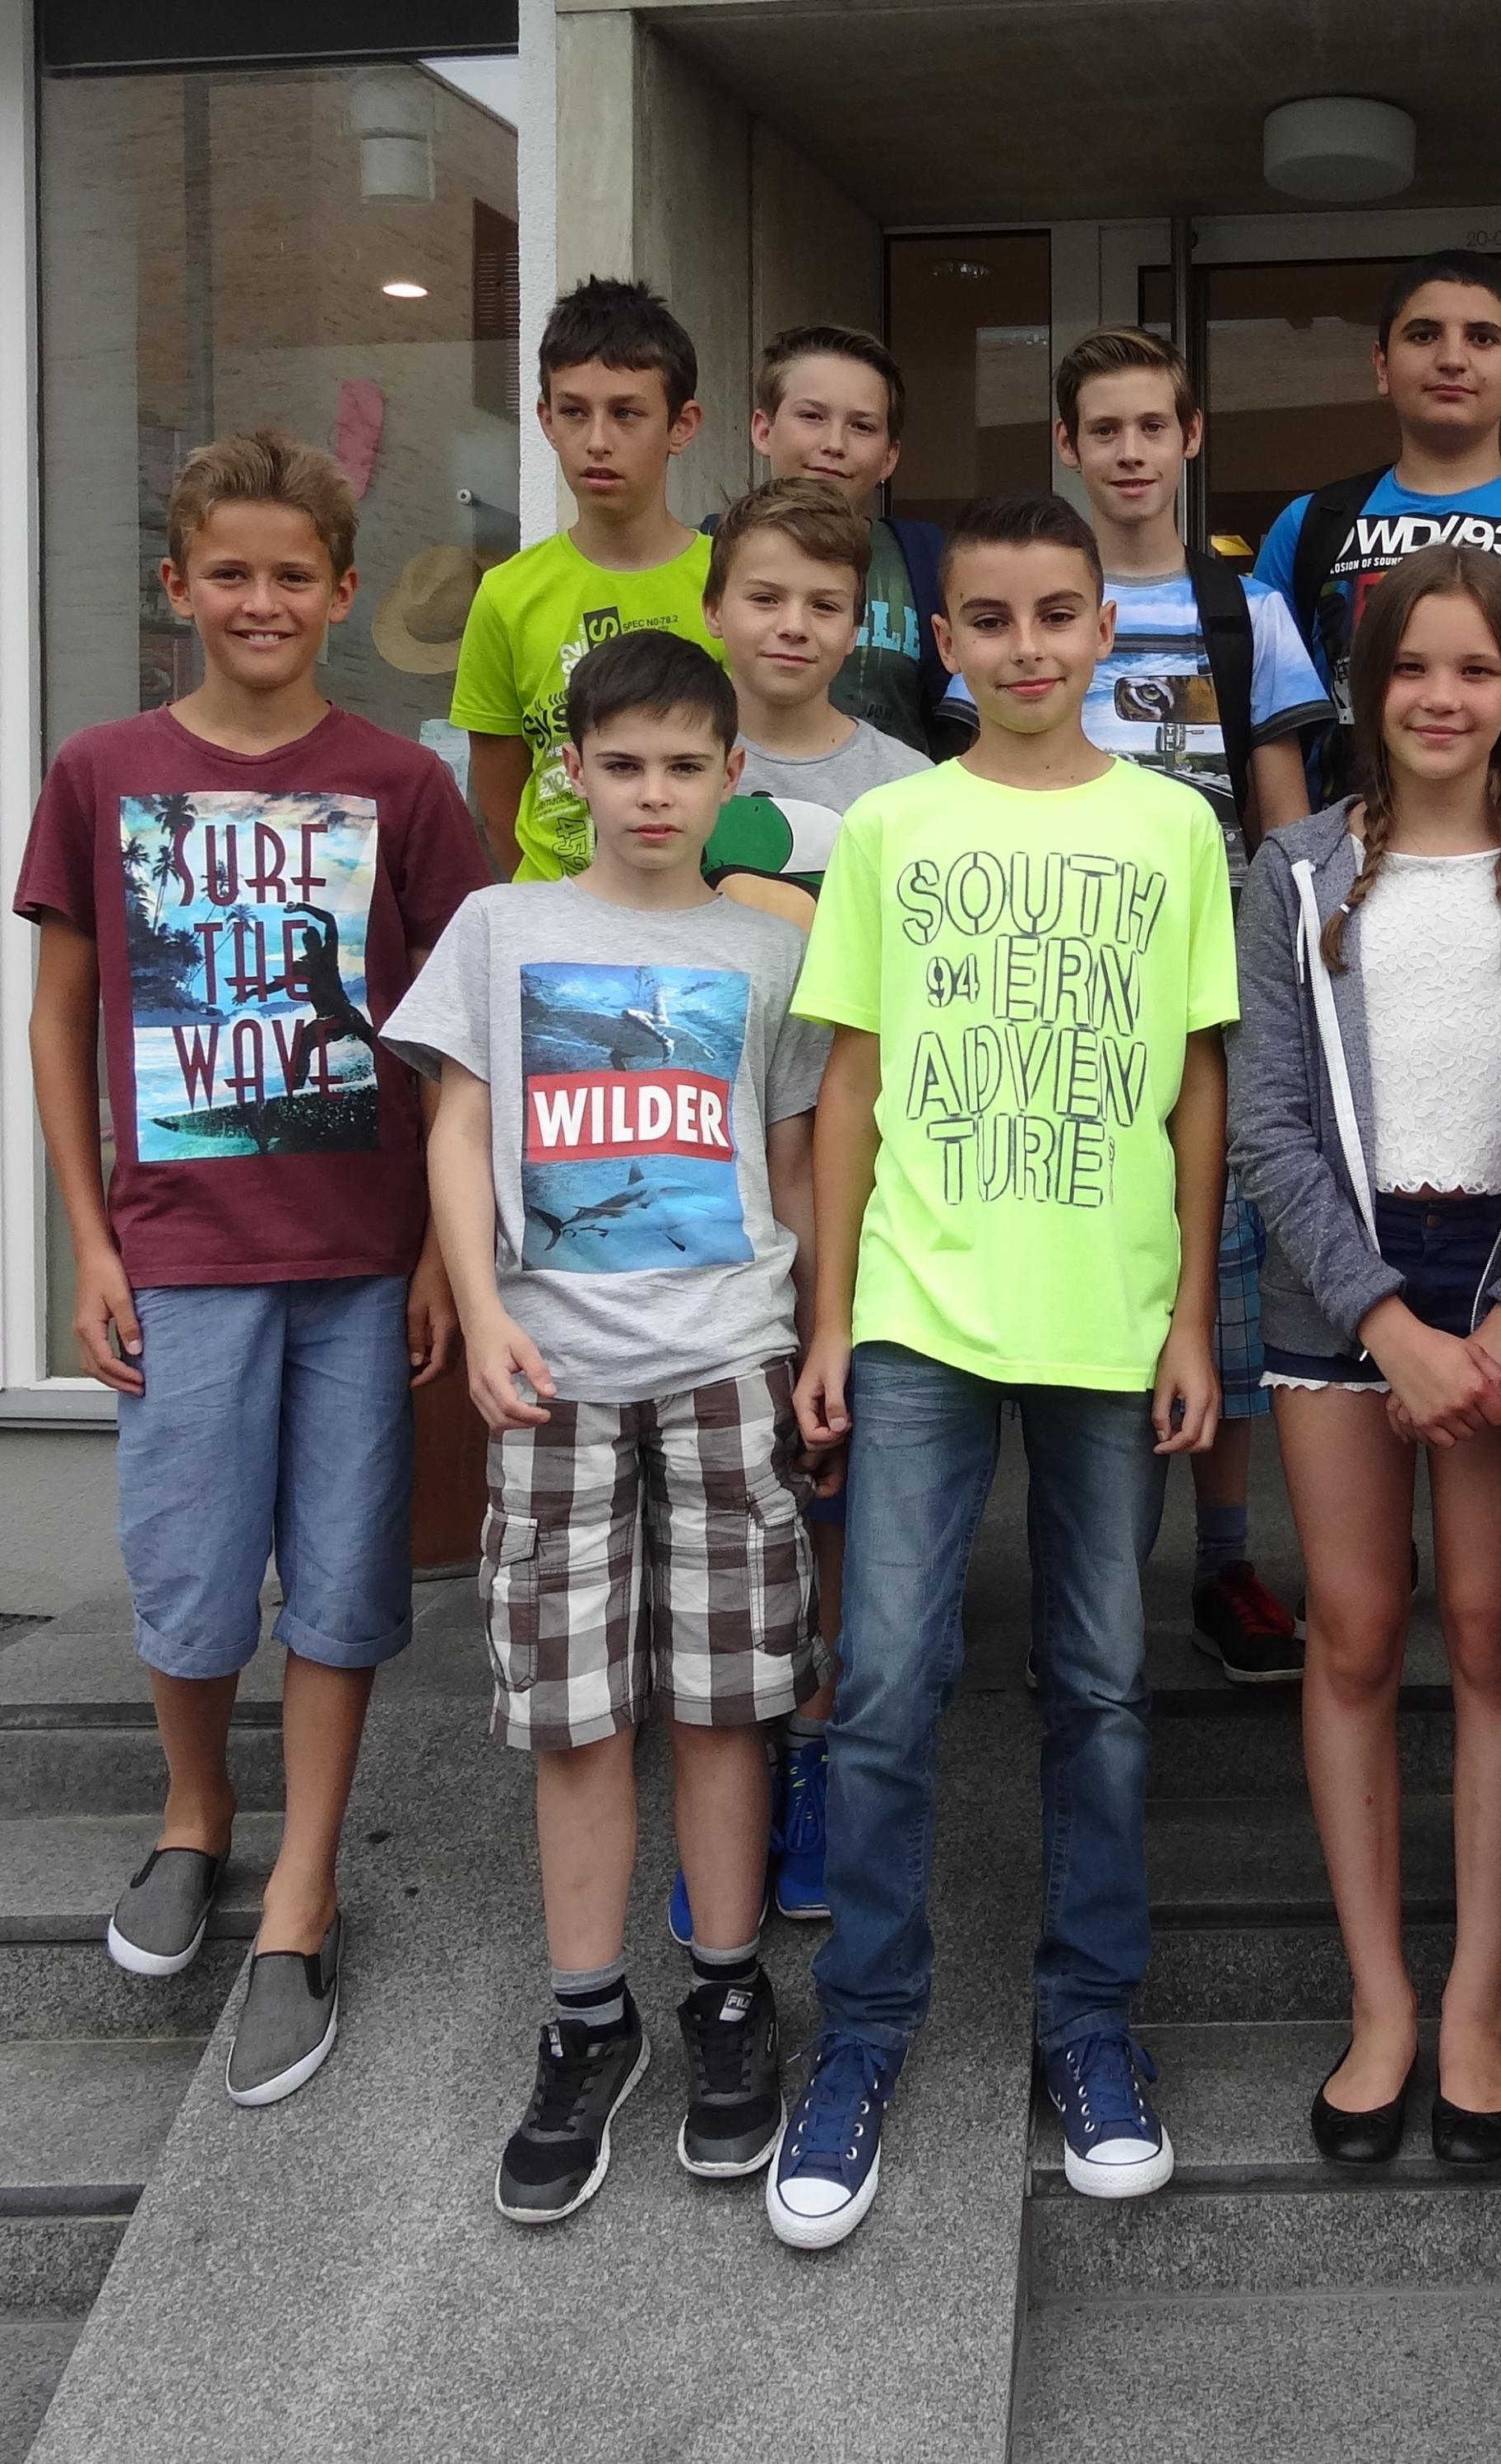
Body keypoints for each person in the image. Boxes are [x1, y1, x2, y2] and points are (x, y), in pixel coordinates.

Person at [767, 492, 1236, 2252]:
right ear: (945, 641)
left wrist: (1193, 1319)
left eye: (1056, 614)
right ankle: (864, 2031)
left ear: (1105, 629)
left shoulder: (1172, 828)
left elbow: (1198, 1088)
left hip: (1110, 1322)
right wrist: (831, 1316)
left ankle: (1088, 2023)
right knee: (884, 1681)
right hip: (917, 1312)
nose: (1026, 645)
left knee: (1100, 1687)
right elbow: (852, 1086)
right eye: (990, 618)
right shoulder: (894, 825)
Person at [16, 430, 490, 2110]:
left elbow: (457, 1038)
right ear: (178, 586)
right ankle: (194, 1808)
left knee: (346, 1577)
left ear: (344, 591)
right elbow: (59, 1021)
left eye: (294, 574)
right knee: (190, 1563)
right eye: (229, 572)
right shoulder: (102, 771)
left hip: (360, 1256)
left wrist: (442, 1255)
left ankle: (305, 1885)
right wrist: (89, 1241)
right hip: (180, 1252)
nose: (261, 600)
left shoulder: (402, 786)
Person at [383, 630, 828, 2226]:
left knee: (724, 1700)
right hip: (553, 1371)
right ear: (569, 770)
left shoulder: (765, 952)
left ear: (730, 777)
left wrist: (817, 1336)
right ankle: (587, 2015)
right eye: (621, 764)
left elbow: (794, 1160)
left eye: (683, 767)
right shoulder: (503, 927)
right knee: (574, 1710)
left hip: (727, 1360)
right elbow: (458, 1127)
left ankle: (726, 1990)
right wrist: (480, 1303)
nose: (651, 794)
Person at [1229, 545, 1501, 2168]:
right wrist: (1384, 1320)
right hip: (1343, 1291)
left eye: (1474, 669)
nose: (1441, 697)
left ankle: (1474, 2001)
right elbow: (1265, 1123)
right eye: (1411, 668)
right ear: (1364, 687)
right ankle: (1379, 2000)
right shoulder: (1293, 871)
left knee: (1490, 1634)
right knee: (1349, 1632)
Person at [938, 325, 1331, 1679]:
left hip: (1204, 983)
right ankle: (1075, 1573)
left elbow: (1284, 818)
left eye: (1150, 426)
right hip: (1052, 983)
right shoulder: (1026, 606)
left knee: (1221, 1261)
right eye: (1100, 429)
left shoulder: (1244, 612)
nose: (1127, 451)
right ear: (1066, 443)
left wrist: (1284, 976)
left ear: (1190, 436)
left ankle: (1223, 1562)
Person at [651, 475, 929, 1945]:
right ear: (713, 607)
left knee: (824, 1497)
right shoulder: (662, 762)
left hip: (847, 1189)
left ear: (861, 620)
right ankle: (728, 1777)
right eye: (764, 596)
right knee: (717, 1506)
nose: (793, 624)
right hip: (691, 1199)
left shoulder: (903, 787)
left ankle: (810, 1762)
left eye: (827, 602)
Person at [453, 277, 722, 883]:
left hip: (701, 907)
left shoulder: (734, 585)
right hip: (554, 915)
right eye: (575, 412)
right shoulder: (506, 595)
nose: (597, 441)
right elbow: (499, 804)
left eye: (626, 413)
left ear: (682, 425)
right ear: (546, 419)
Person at [1255, 250, 1501, 804]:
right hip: (1341, 842)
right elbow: (1264, 718)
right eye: (1424, 335)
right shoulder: (1310, 525)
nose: (1452, 359)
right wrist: (1295, 851)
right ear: (1382, 365)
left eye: (1482, 338)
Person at [741, 323, 954, 755]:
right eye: (812, 416)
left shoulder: (926, 559)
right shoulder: (709, 550)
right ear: (764, 430)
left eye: (861, 426)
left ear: (890, 456)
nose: (834, 444)